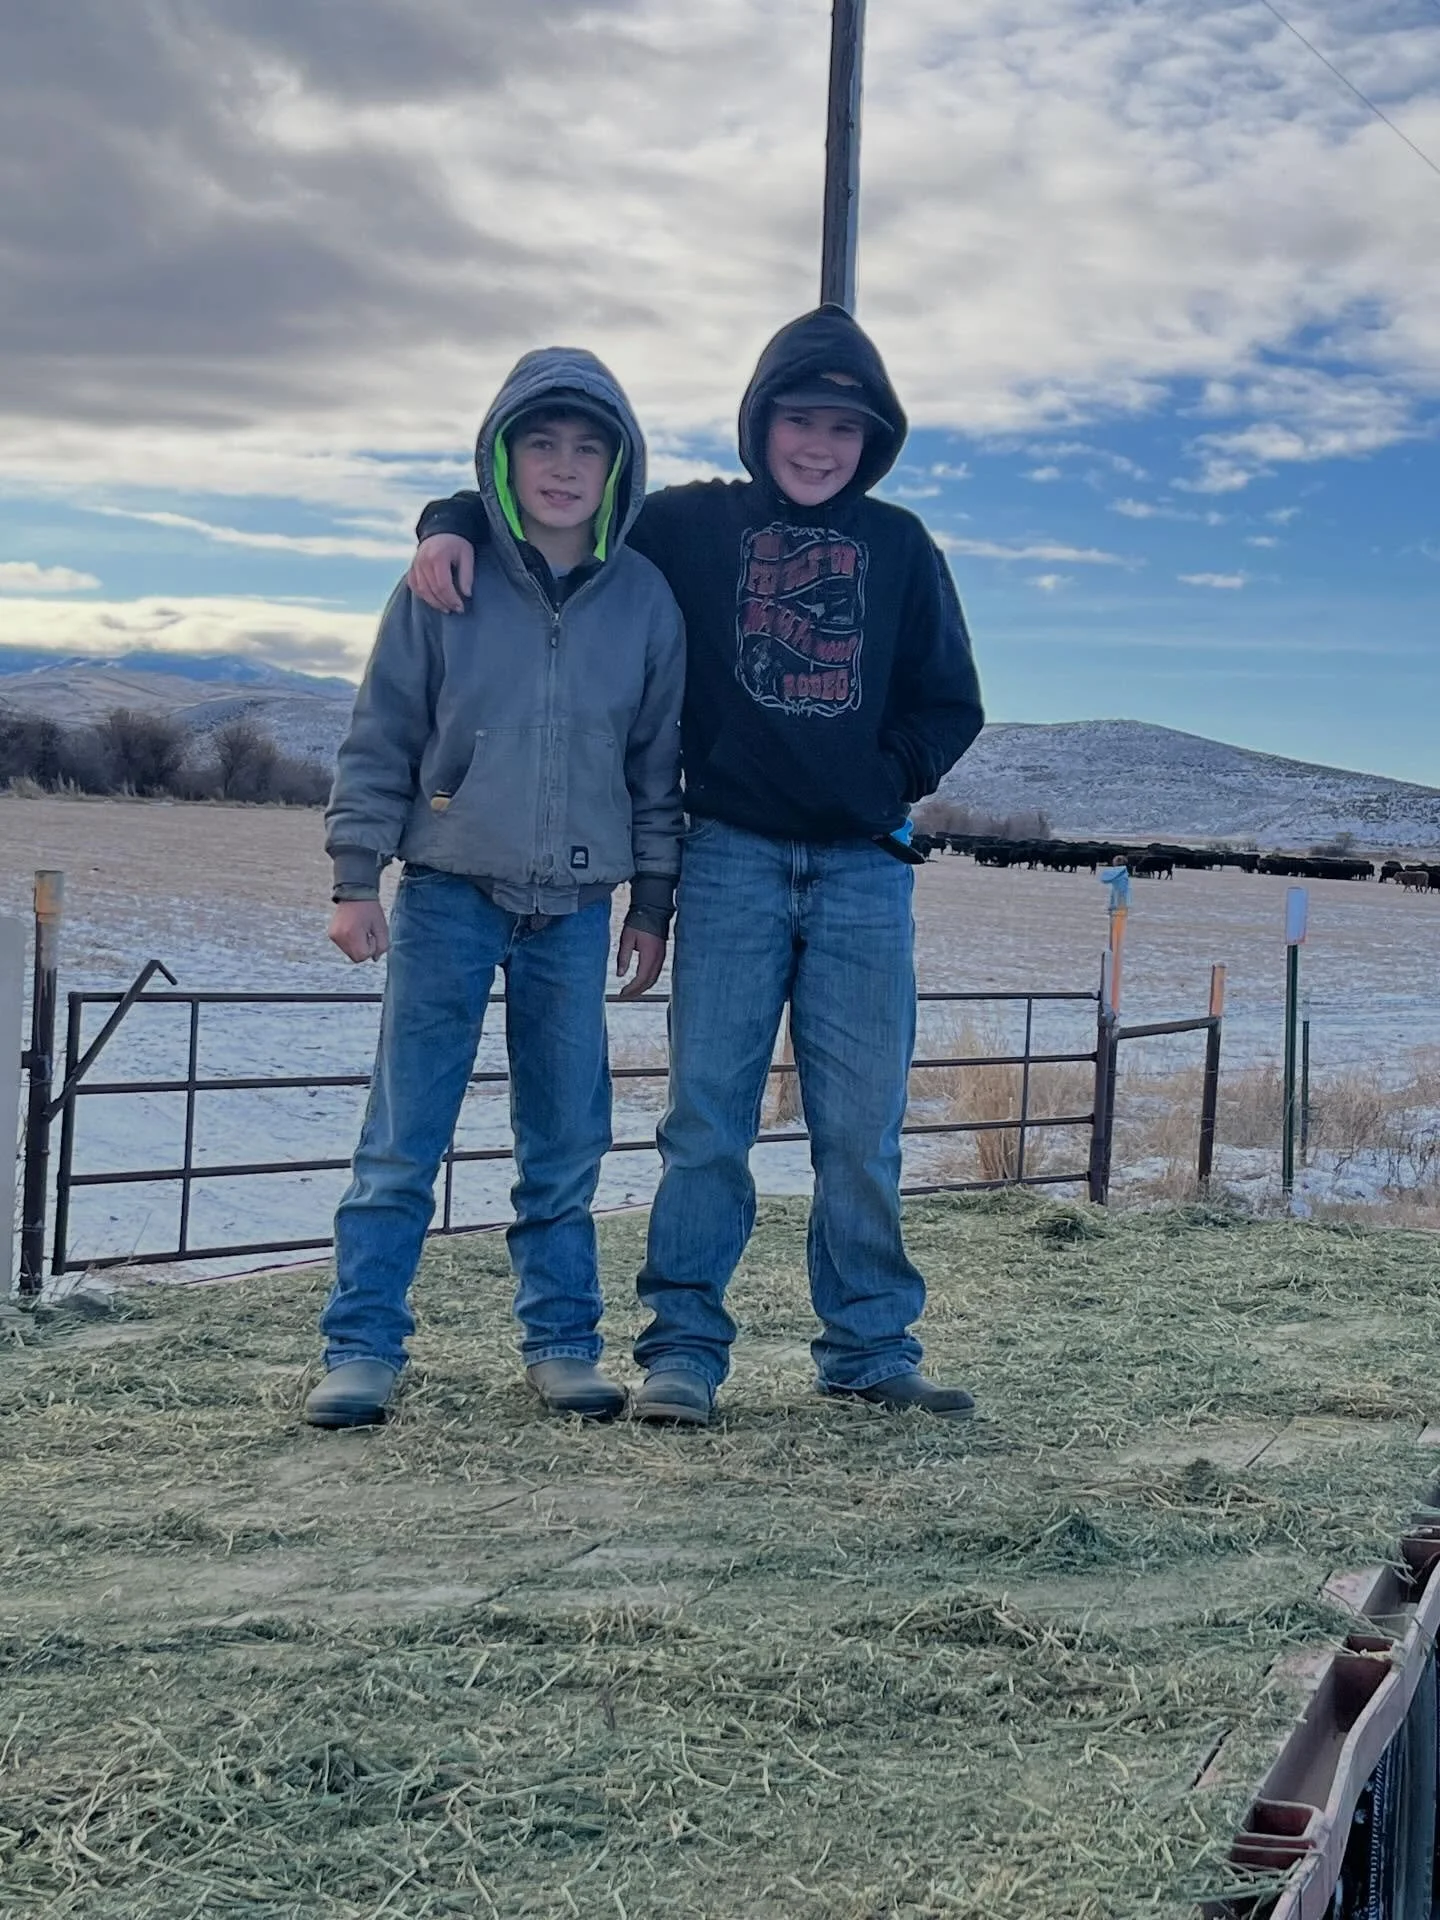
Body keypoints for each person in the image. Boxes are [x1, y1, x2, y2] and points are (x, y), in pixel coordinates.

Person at [407, 305, 984, 1427]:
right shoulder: (690, 527)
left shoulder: (904, 547)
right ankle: (683, 1350)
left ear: (876, 440)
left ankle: (869, 1350)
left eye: (845, 429)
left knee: (860, 1128)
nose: (819, 446)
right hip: (728, 859)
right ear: (759, 424)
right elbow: (570, 513)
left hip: (865, 869)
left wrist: (882, 778)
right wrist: (446, 521)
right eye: (798, 421)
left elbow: (951, 701)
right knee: (708, 1121)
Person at [308, 347, 685, 1430]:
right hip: (445, 895)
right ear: (500, 456)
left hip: (575, 912)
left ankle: (563, 1344)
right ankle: (361, 1348)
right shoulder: (443, 579)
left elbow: (658, 769)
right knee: (403, 1134)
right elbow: (379, 737)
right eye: (540, 443)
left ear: (617, 465)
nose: (563, 467)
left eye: (586, 446)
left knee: (565, 1140)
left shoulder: (648, 601)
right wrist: (353, 877)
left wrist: (652, 906)